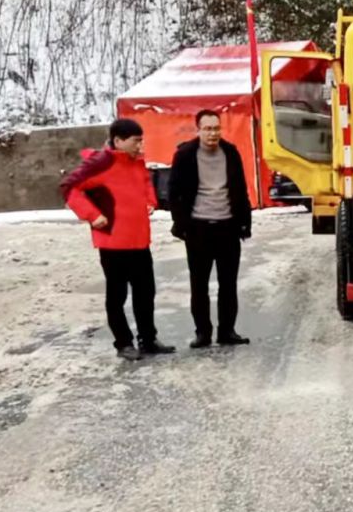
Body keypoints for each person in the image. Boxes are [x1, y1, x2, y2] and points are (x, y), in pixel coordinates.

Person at [60, 118, 176, 361]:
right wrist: (93, 215)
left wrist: (150, 201)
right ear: (118, 141)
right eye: (136, 141)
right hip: (113, 243)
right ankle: (123, 343)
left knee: (146, 293)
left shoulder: (136, 163)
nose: (140, 146)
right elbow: (70, 188)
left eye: (141, 141)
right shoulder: (101, 163)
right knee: (117, 296)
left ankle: (148, 339)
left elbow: (145, 185)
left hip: (139, 240)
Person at [168, 109, 252, 348]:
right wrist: (182, 225)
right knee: (199, 285)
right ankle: (202, 333)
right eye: (207, 129)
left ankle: (227, 331)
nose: (212, 133)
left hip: (228, 227)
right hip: (198, 229)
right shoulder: (185, 155)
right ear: (198, 130)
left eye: (216, 128)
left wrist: (244, 223)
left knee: (228, 284)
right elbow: (174, 193)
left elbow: (240, 189)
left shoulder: (231, 152)